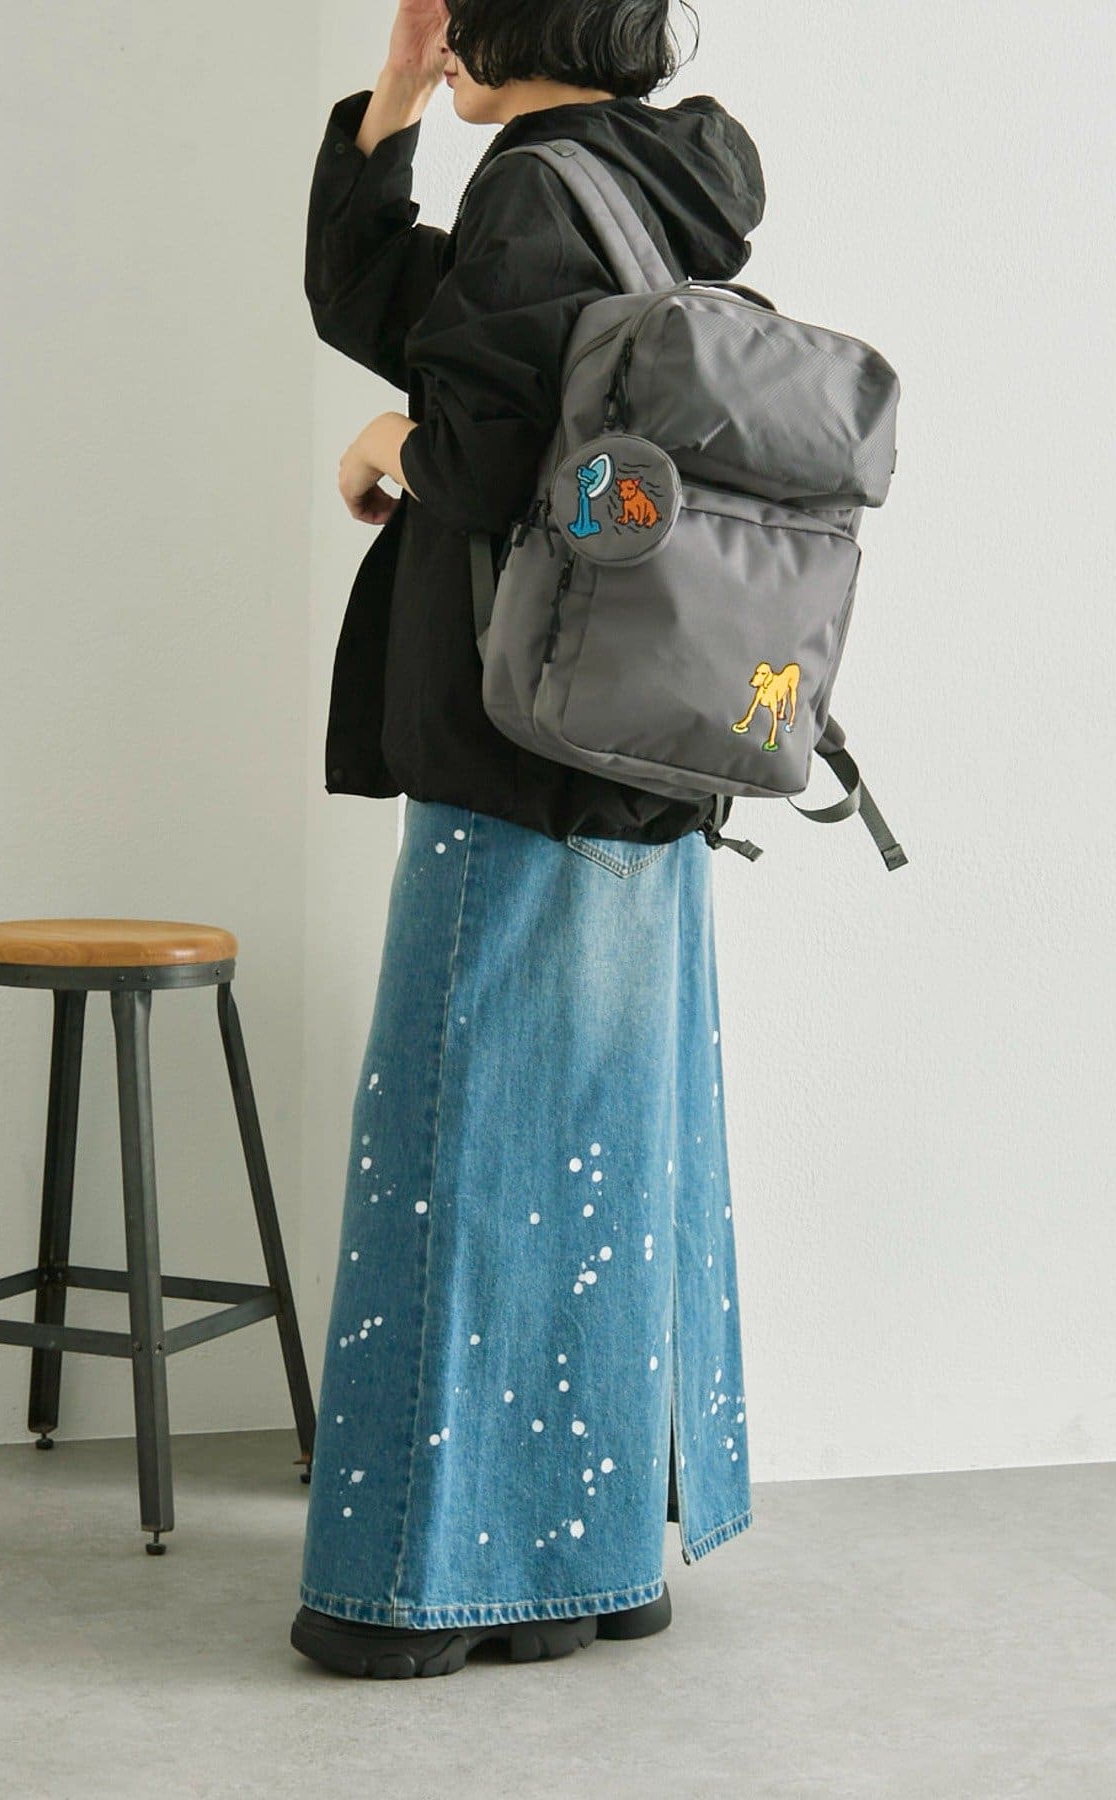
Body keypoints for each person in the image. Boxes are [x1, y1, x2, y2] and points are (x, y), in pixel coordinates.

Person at [290, 0, 765, 1680]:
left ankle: (423, 1592)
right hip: (644, 737)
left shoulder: (537, 187)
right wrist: (395, 101)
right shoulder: (649, 188)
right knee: (604, 1158)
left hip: (520, 743)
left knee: (461, 1147)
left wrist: (387, 450)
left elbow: (494, 453)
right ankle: (590, 1562)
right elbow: (393, 311)